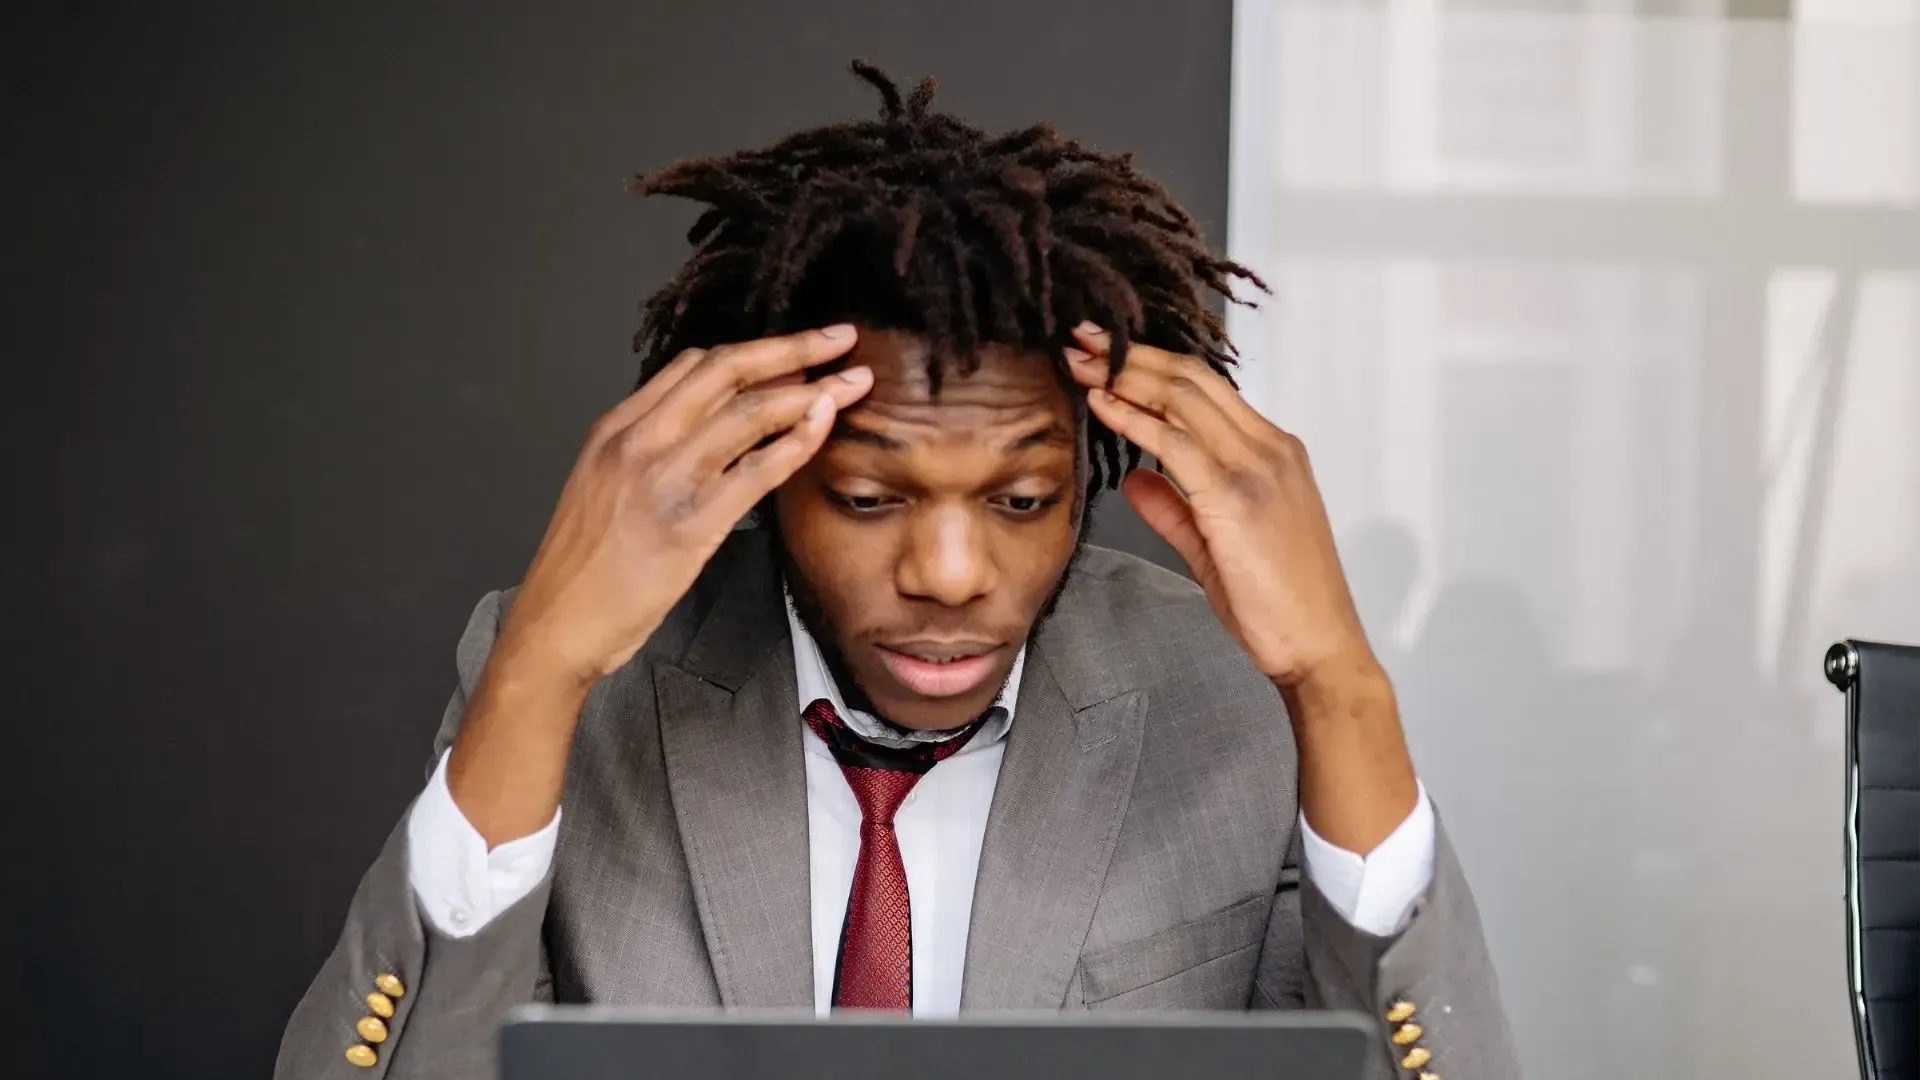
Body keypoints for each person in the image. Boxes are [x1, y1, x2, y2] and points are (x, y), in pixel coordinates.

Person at [276, 62, 1518, 1079]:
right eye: (872, 499)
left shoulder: (1225, 692)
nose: (952, 569)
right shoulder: (574, 682)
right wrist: (539, 670)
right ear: (774, 467)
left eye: (1023, 499)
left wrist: (1340, 687)